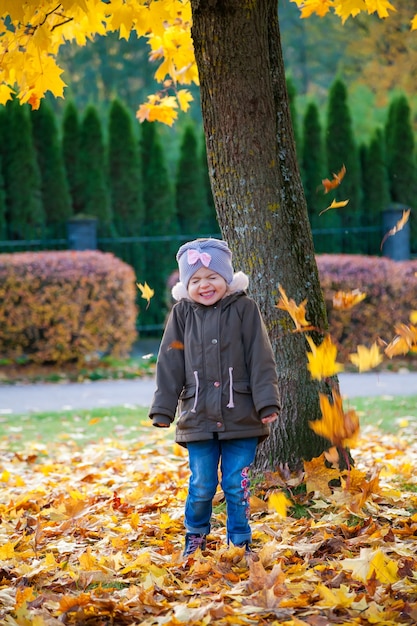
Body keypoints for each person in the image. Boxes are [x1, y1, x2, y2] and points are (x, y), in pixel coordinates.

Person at [149, 238, 280, 557]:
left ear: (226, 279)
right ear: (185, 284)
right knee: (202, 484)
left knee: (237, 485)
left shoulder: (245, 310)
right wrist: (164, 409)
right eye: (195, 280)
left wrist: (267, 403)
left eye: (212, 277)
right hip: (197, 415)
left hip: (243, 415)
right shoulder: (181, 315)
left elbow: (260, 358)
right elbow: (170, 362)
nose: (204, 285)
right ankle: (195, 536)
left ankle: (240, 540)